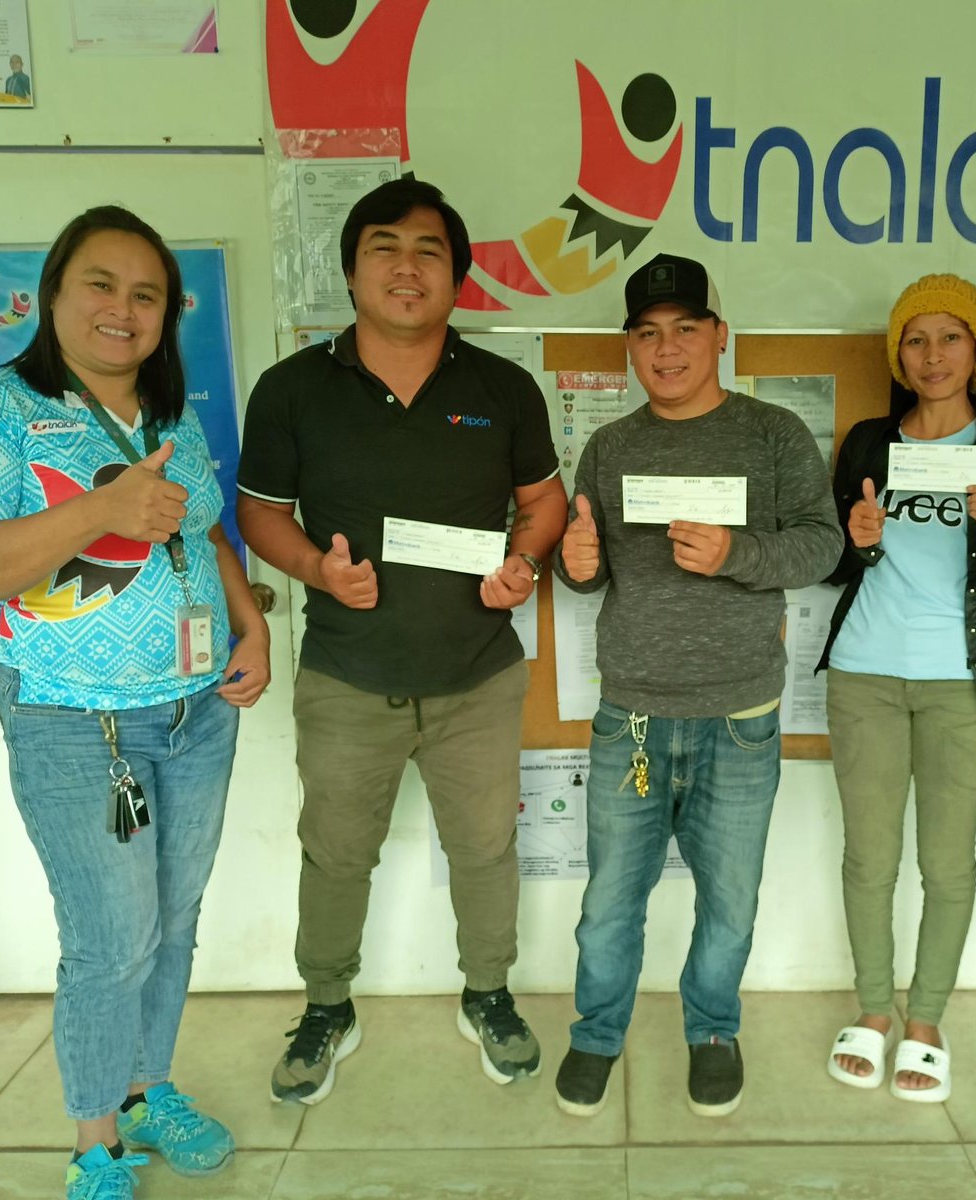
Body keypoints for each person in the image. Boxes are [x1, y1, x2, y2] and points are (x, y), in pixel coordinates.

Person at [0, 205, 271, 1200]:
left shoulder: (169, 413)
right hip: (76, 725)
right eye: (101, 285)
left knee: (174, 919)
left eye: (146, 294)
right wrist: (101, 508)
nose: (123, 309)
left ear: (166, 315)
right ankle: (95, 1144)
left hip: (197, 713)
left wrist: (251, 625)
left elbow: (206, 534)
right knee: (110, 941)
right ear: (53, 295)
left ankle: (147, 1089)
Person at [237, 179, 566, 1103]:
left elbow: (543, 503)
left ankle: (488, 992)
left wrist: (523, 563)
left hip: (478, 677)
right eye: (384, 246)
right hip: (347, 676)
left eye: (429, 251)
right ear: (350, 271)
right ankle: (326, 1005)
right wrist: (317, 569)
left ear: (458, 278)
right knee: (336, 852)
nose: (407, 266)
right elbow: (259, 514)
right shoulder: (292, 389)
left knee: (486, 849)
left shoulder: (503, 388)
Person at [552, 253, 840, 1118]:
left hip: (740, 719)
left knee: (731, 900)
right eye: (648, 333)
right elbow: (588, 572)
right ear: (629, 347)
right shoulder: (610, 447)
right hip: (633, 719)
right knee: (610, 901)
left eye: (685, 329)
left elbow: (822, 545)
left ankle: (713, 1030)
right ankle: (596, 1034)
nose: (667, 348)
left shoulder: (772, 434)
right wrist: (575, 564)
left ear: (719, 336)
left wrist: (735, 553)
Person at [818, 275, 976, 1102]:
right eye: (915, 339)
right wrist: (857, 541)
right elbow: (834, 565)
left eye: (951, 337)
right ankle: (874, 1011)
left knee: (946, 864)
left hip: (962, 684)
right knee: (869, 858)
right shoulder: (867, 444)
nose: (933, 355)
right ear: (898, 354)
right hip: (866, 675)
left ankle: (925, 1021)